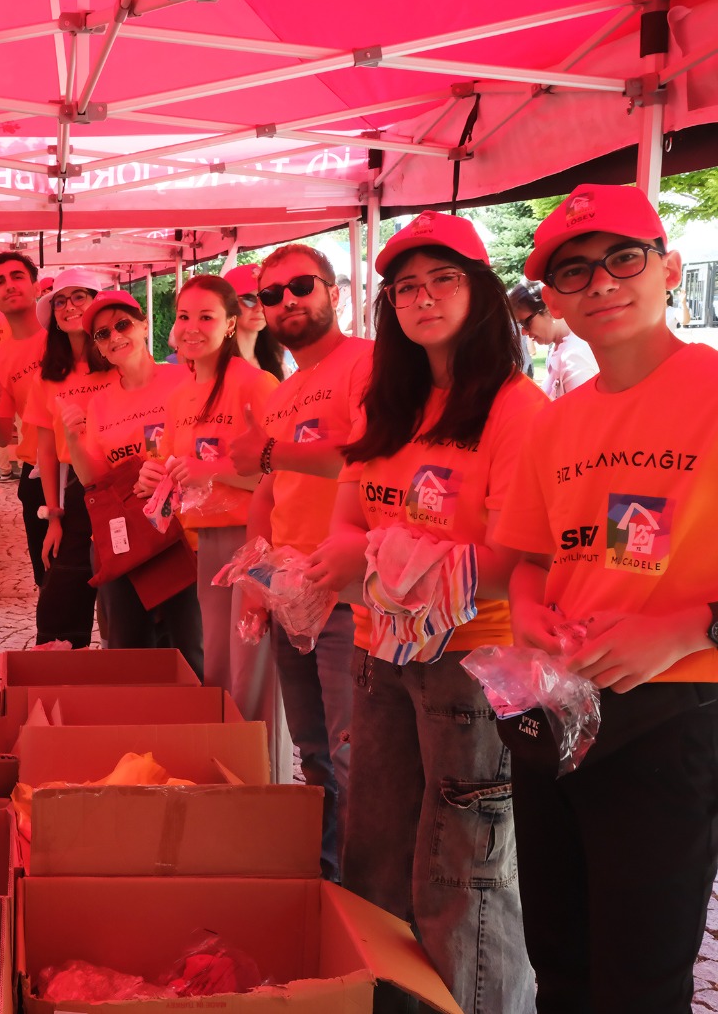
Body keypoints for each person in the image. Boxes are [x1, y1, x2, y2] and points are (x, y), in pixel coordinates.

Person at [306, 213, 542, 1014]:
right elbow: (346, 516)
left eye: (443, 279)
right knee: (375, 862)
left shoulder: (516, 406)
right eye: (406, 286)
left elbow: (517, 556)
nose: (423, 298)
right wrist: (364, 562)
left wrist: (379, 566)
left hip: (468, 671)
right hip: (379, 657)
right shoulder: (390, 400)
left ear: (480, 291)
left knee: (460, 875)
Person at [494, 184, 718, 1013]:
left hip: (675, 709)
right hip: (559, 709)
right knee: (561, 956)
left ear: (670, 267)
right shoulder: (556, 423)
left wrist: (684, 628)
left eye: (624, 258)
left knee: (641, 975)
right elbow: (527, 560)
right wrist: (526, 611)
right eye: (575, 271)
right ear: (551, 298)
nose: (601, 284)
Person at [227, 242, 370, 884]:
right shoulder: (285, 392)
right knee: (313, 753)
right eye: (271, 294)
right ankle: (324, 877)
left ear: (334, 291)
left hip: (347, 594)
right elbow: (268, 492)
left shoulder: (367, 365)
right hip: (290, 593)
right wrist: (257, 580)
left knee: (350, 755)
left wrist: (269, 450)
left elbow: (368, 458)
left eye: (301, 287)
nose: (287, 302)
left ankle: (364, 894)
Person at [147, 273, 292, 785]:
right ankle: (226, 780)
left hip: (253, 541)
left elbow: (281, 472)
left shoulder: (256, 385)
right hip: (204, 542)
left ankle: (259, 786)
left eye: (206, 316)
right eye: (184, 315)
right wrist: (158, 476)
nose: (191, 327)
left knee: (251, 672)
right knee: (218, 672)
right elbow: (178, 467)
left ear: (230, 324)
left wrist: (214, 471)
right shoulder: (181, 394)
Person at [68, 291, 202, 670]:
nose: (114, 337)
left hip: (182, 534)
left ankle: (201, 728)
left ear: (144, 325)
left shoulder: (185, 378)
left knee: (189, 648)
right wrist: (73, 441)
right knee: (129, 652)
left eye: (122, 325)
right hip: (127, 540)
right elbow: (94, 479)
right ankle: (139, 725)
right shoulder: (100, 403)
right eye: (102, 334)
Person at [23, 270, 115, 647]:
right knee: (60, 604)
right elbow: (45, 451)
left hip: (123, 489)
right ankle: (62, 681)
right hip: (74, 495)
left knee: (123, 599)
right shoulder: (48, 378)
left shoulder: (119, 364)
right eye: (60, 301)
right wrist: (53, 516)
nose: (69, 307)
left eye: (79, 297)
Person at [0, 252, 50, 586]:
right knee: (50, 582)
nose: (10, 285)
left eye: (18, 276)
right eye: (0, 281)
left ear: (36, 285)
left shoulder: (63, 335)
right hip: (37, 477)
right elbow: (3, 436)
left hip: (89, 471)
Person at [507, 281, 597, 398]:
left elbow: (585, 413)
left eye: (526, 322)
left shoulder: (574, 356)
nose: (524, 331)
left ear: (548, 308)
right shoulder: (561, 349)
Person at [224, 263, 287, 379]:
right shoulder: (214, 364)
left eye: (266, 298)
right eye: (249, 300)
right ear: (227, 305)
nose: (259, 308)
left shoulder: (276, 358)